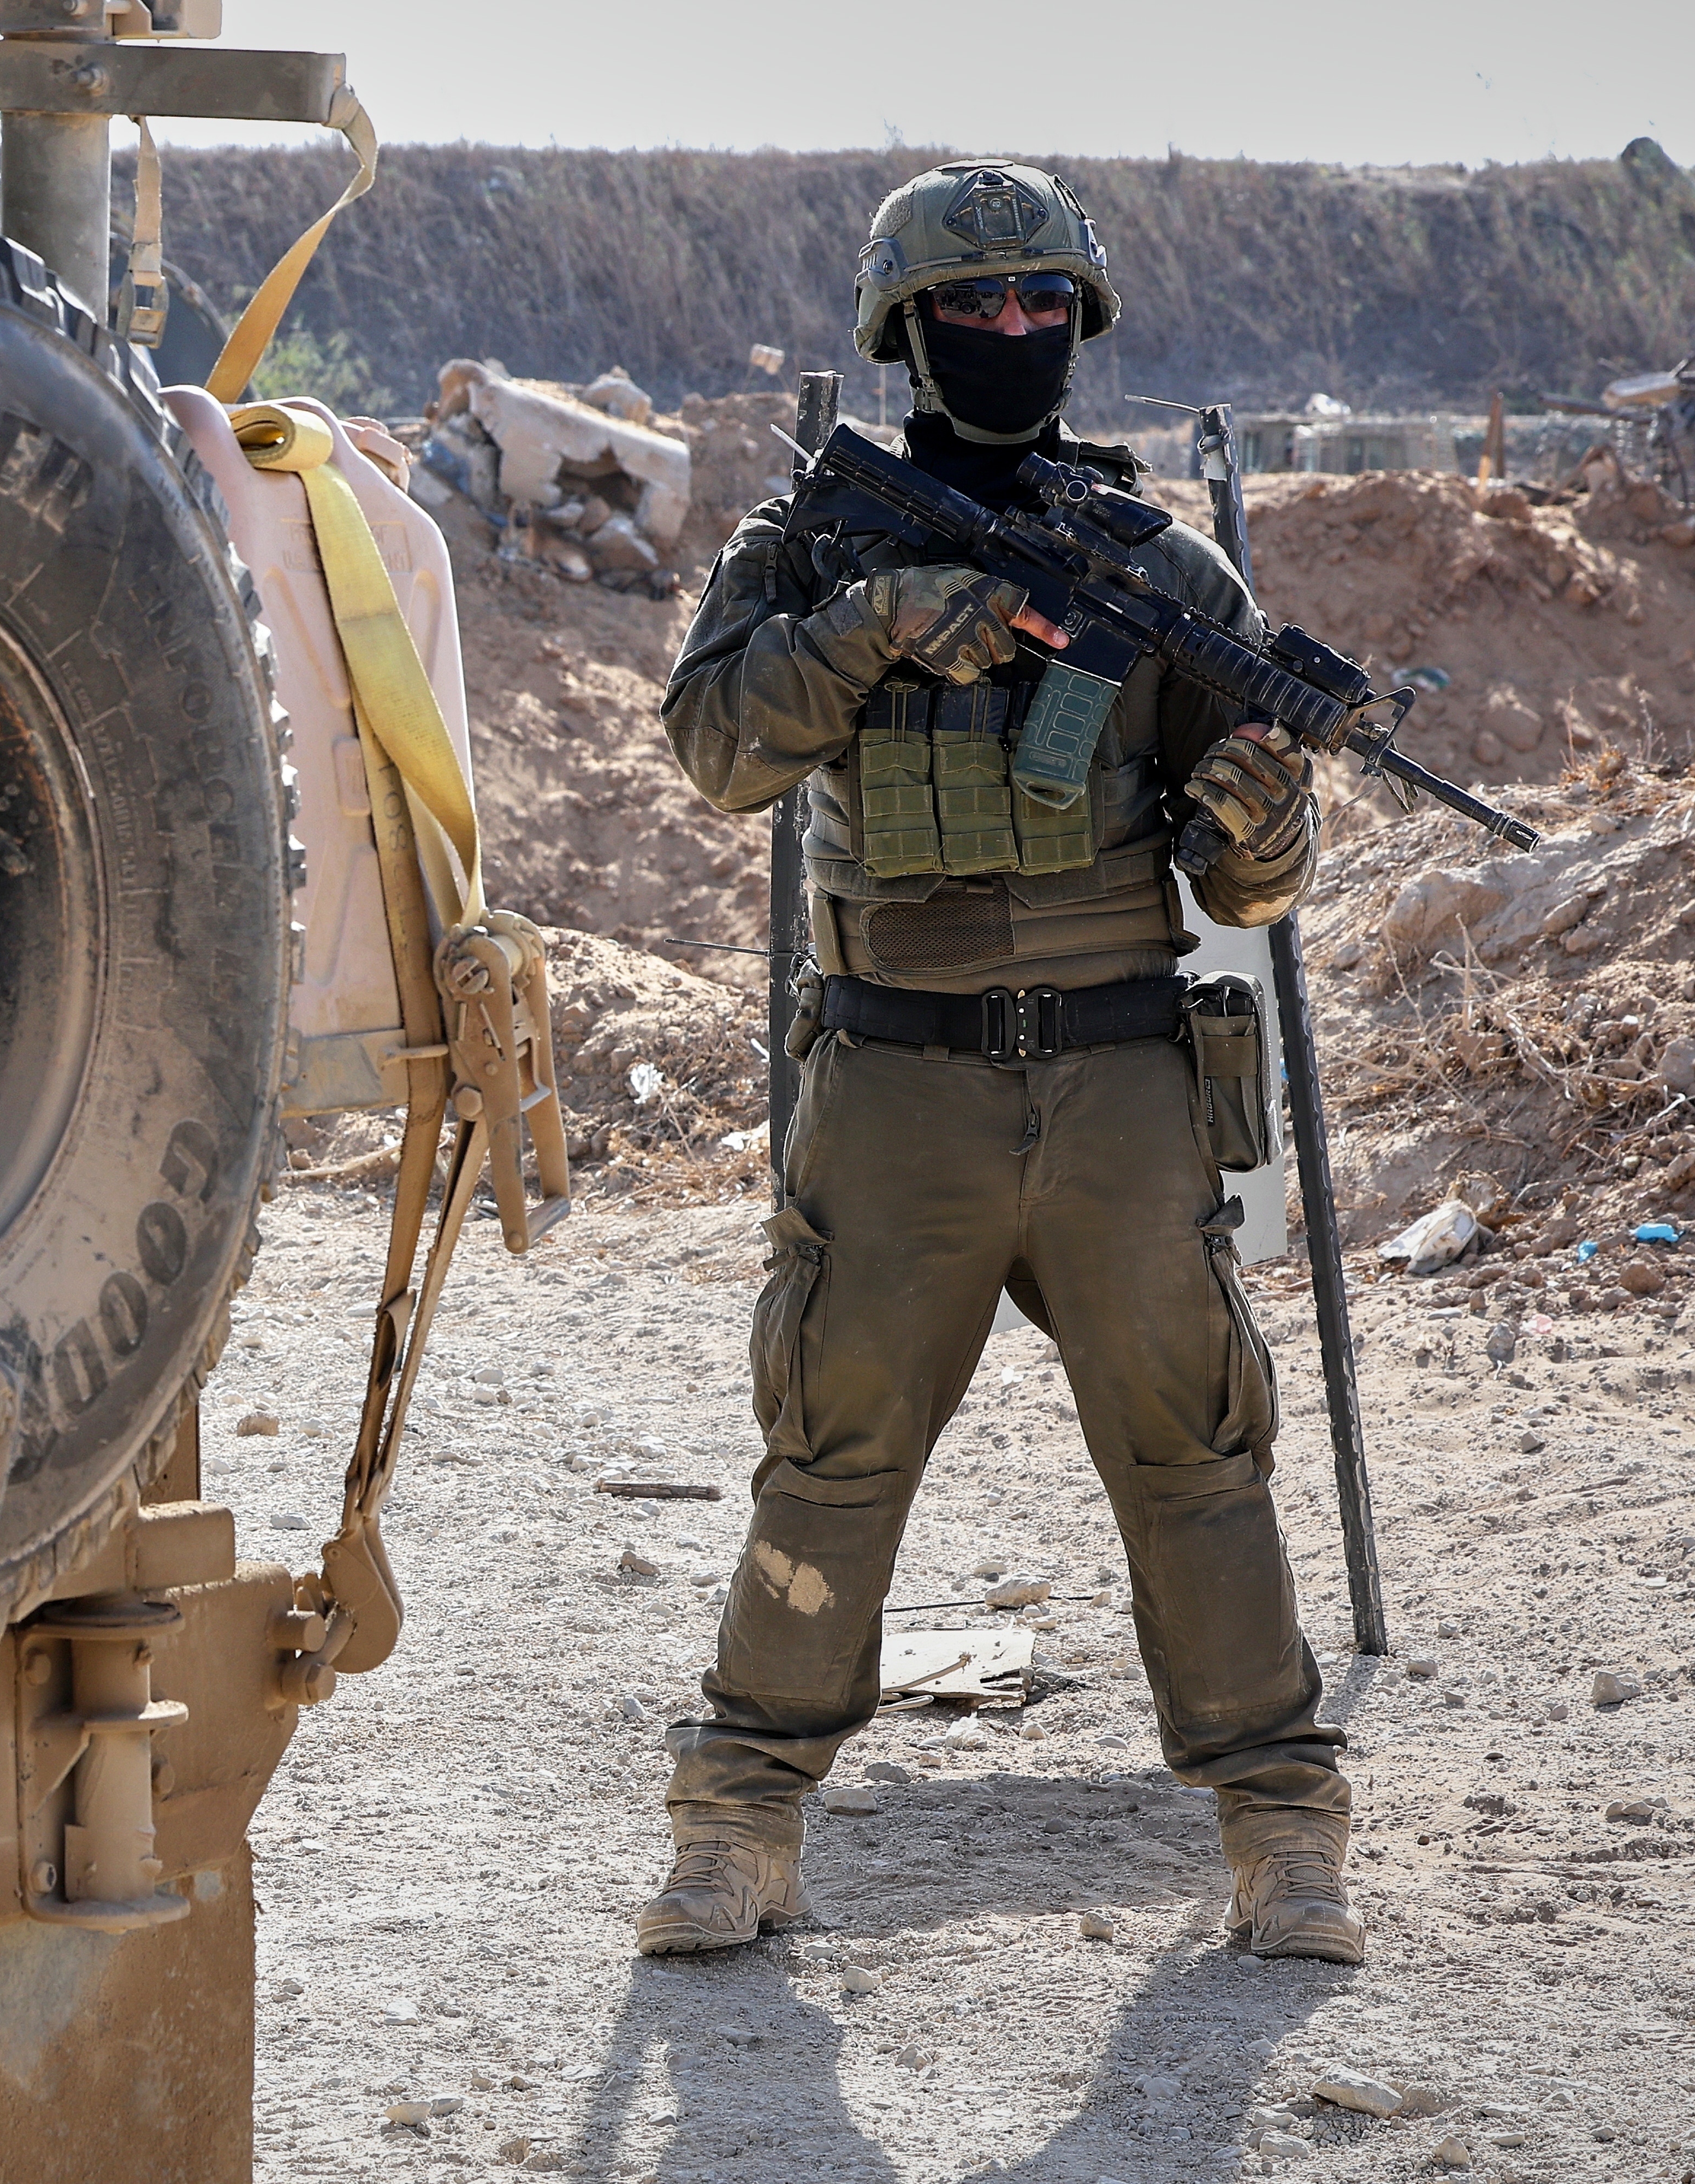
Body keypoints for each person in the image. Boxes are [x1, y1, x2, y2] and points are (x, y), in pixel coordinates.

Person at [640, 160, 1357, 1964]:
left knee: (1199, 1455)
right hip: (896, 1077)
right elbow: (719, 751)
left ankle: (1283, 1833)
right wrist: (876, 624)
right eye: (980, 307)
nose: (1017, 334)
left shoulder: (1153, 568)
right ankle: (738, 1825)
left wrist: (1270, 822)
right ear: (907, 330)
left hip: (1122, 1077)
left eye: (1048, 306)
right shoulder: (811, 546)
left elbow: (1238, 873)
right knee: (832, 1452)